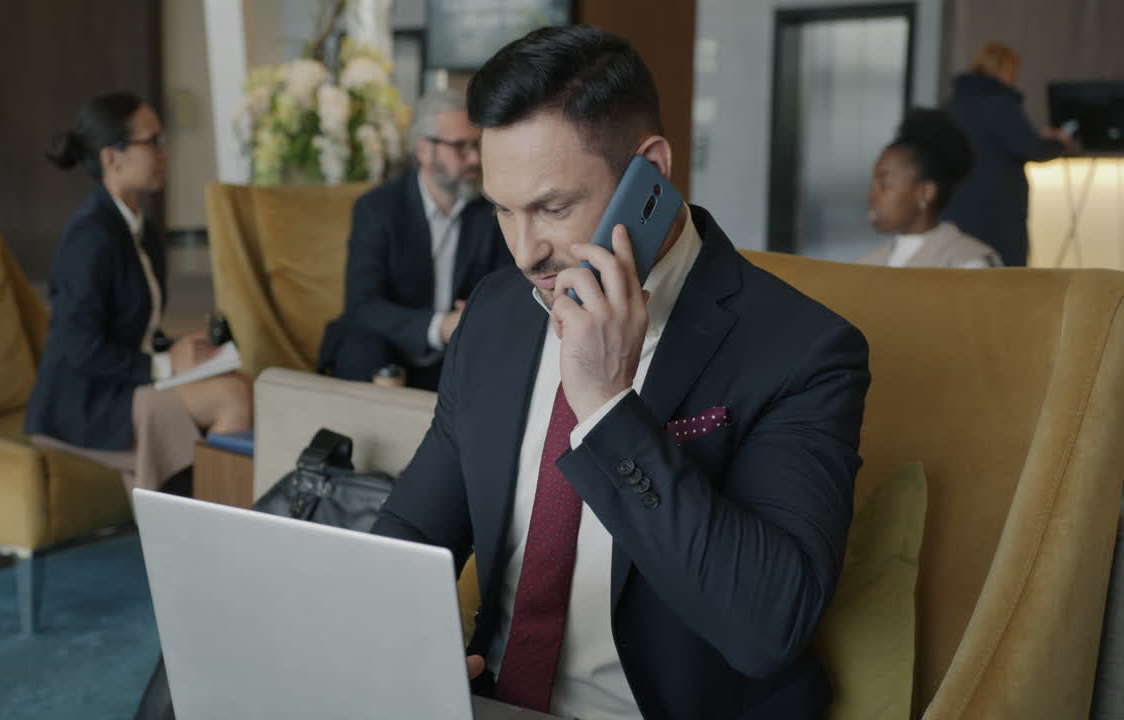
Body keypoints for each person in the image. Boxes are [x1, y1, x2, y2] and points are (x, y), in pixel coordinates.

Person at [372, 25, 871, 720]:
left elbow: (768, 627)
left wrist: (608, 409)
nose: (524, 253)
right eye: (502, 211)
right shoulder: (497, 315)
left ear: (651, 174)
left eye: (552, 207)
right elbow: (415, 529)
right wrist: (382, 642)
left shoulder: (804, 351)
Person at [25, 91, 252, 495]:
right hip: (85, 404)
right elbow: (80, 348)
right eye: (153, 142)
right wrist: (163, 366)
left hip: (123, 386)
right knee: (231, 398)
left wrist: (180, 348)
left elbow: (133, 331)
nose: (165, 152)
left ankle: (203, 514)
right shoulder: (89, 237)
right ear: (112, 158)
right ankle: (213, 530)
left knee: (241, 383)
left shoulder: (141, 230)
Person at [317, 89, 512, 391]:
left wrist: (476, 312)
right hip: (386, 344)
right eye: (461, 147)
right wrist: (440, 326)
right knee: (362, 349)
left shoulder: (493, 209)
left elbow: (508, 284)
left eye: (477, 145)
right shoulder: (378, 208)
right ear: (424, 150)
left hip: (459, 350)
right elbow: (363, 305)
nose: (474, 158)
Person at [942, 42, 1075, 266]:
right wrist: (1060, 143)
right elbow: (1033, 149)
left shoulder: (953, 104)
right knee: (1004, 281)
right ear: (1007, 69)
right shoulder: (999, 103)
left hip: (955, 209)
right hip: (995, 211)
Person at [860, 108, 1001, 268]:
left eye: (884, 185)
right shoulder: (869, 264)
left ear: (925, 192)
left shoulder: (970, 263)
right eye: (874, 184)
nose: (871, 195)